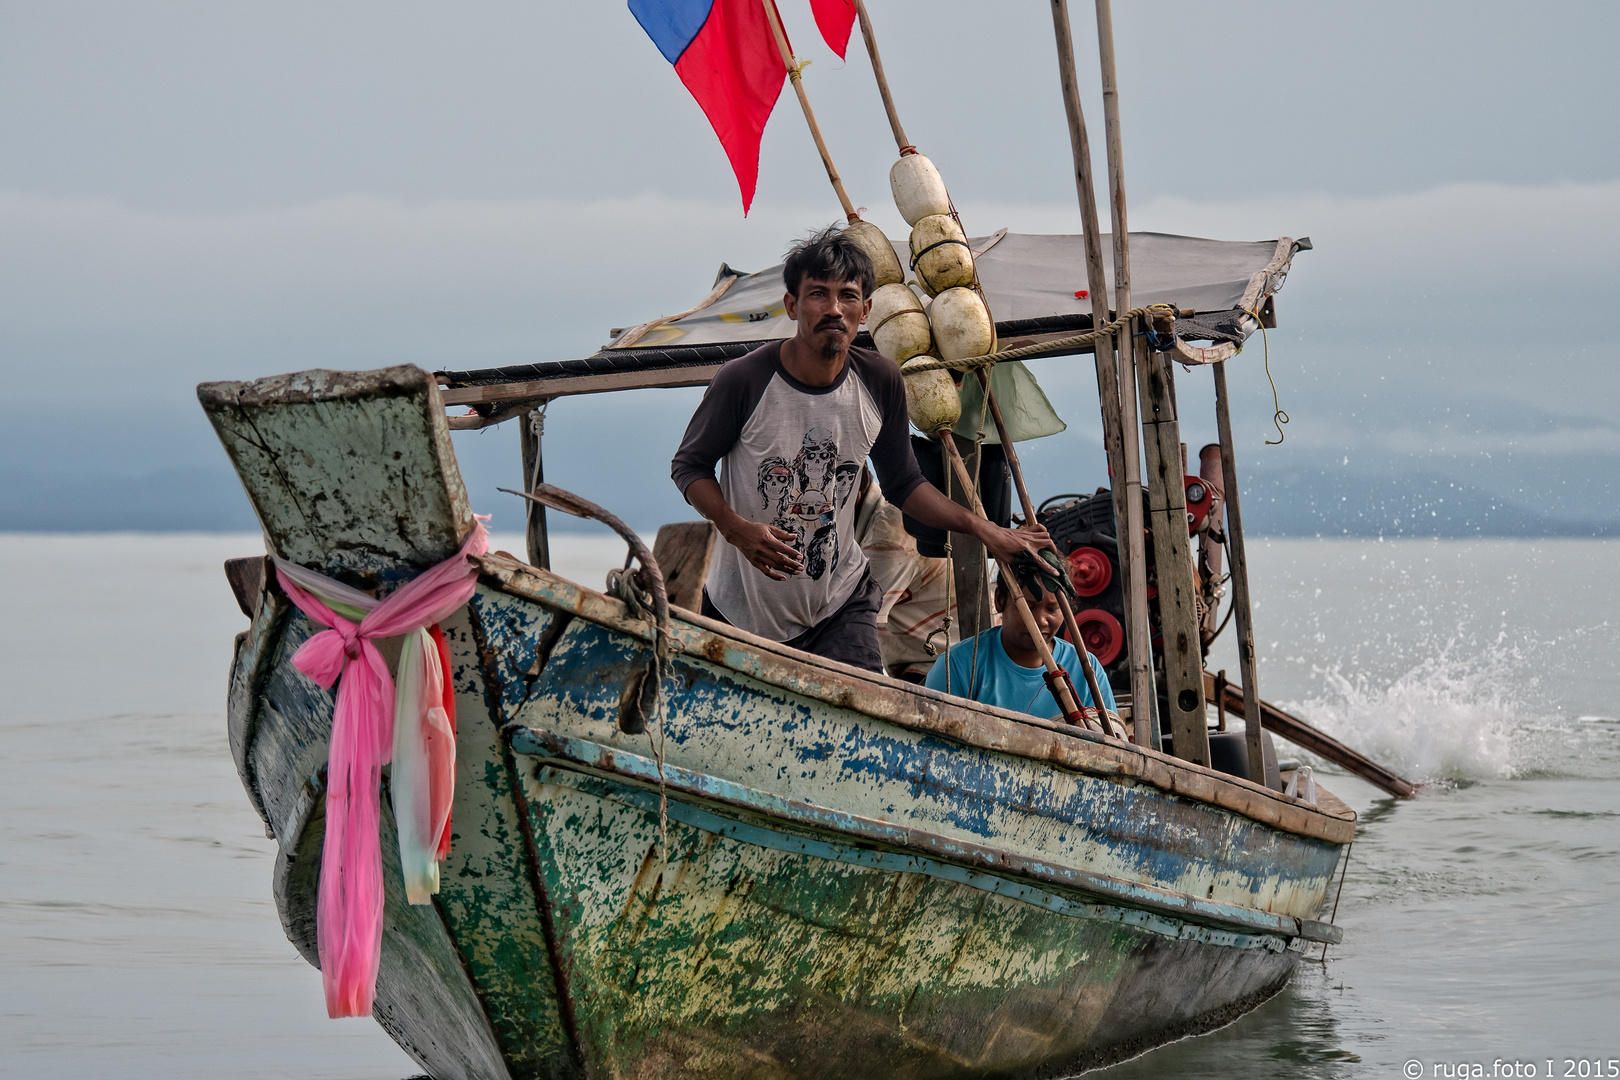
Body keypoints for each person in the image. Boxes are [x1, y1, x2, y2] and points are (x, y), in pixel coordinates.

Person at [670, 225, 1049, 672]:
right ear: (792, 305)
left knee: (857, 724)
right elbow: (689, 466)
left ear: (866, 310)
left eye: (848, 296)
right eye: (817, 294)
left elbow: (904, 485)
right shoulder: (744, 380)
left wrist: (985, 529)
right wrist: (735, 529)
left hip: (839, 605)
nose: (834, 309)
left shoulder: (880, 380)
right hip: (743, 610)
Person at [925, 569, 1117, 722]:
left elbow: (1110, 741)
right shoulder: (957, 666)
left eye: (1052, 609)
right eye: (1028, 607)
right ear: (1000, 600)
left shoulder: (1085, 667)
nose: (1041, 621)